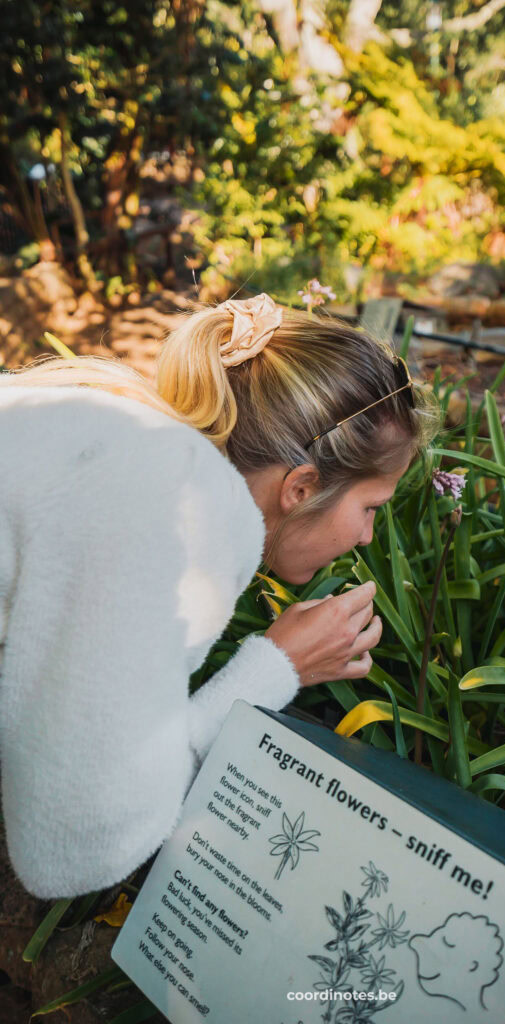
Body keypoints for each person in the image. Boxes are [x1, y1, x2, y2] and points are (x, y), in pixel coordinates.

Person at [0, 292, 441, 899]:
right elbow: (74, 847)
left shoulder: (117, 426)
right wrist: (275, 667)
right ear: (302, 486)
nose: (367, 537)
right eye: (369, 508)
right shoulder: (176, 508)